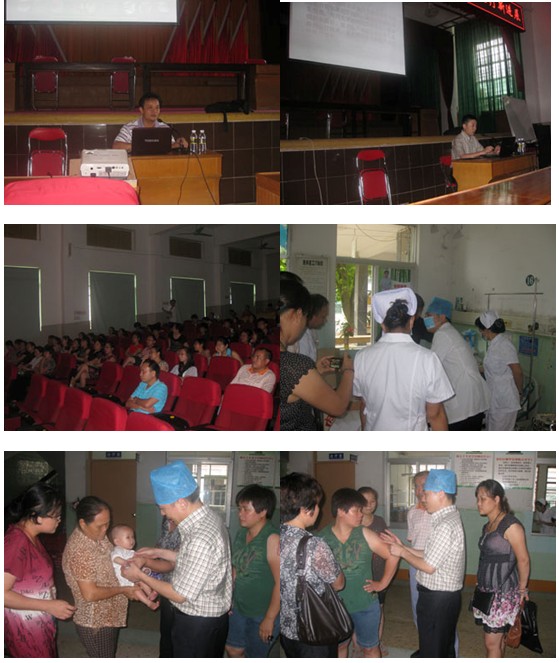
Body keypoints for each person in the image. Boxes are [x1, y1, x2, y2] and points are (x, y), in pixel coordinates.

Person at [120, 460, 232, 658]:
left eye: (164, 508)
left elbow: (179, 594)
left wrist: (140, 575)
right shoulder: (208, 518)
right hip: (210, 618)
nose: (163, 513)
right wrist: (160, 553)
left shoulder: (199, 536)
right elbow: (197, 561)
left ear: (181, 503)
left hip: (198, 623)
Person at [382, 469, 465, 658]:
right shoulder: (447, 518)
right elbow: (431, 554)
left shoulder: (444, 524)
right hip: (443, 596)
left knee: (434, 648)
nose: (423, 498)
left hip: (438, 598)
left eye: (426, 493)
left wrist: (402, 552)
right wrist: (403, 547)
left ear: (440, 494)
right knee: (441, 646)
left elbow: (428, 566)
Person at [353, 288, 454, 430]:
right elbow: (435, 414)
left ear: (382, 324)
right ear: (411, 321)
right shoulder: (428, 359)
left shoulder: (361, 357)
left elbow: (364, 405)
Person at [319, 489, 398, 658]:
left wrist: (383, 583)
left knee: (370, 648)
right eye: (357, 510)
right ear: (341, 511)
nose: (361, 515)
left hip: (365, 604)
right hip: (335, 606)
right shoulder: (322, 538)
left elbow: (393, 555)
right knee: (339, 647)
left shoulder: (364, 533)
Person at [5, 483, 76, 657]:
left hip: (40, 621)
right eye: (56, 516)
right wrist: (48, 605)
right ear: (36, 516)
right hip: (25, 629)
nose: (59, 521)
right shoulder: (16, 542)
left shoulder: (31, 537)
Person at [62, 496, 139, 657]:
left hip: (108, 613)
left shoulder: (97, 536)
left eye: (107, 524)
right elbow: (90, 594)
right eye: (100, 526)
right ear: (83, 523)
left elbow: (113, 557)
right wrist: (123, 589)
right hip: (96, 620)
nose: (105, 530)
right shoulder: (80, 550)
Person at [280, 472, 345, 658]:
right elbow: (338, 583)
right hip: (314, 630)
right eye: (316, 504)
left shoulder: (276, 535)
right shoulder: (314, 544)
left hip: (285, 628)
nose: (318, 509)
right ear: (304, 508)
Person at [280, 277, 354, 430]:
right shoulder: (295, 364)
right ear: (297, 314)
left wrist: (314, 371)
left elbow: (293, 386)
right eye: (305, 316)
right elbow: (339, 406)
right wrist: (348, 370)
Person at [474, 479, 531, 657]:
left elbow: (523, 560)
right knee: (498, 641)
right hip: (486, 591)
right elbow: (486, 557)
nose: (478, 503)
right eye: (477, 499)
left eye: (483, 499)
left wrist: (522, 589)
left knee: (491, 643)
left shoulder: (511, 525)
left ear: (497, 499)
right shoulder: (488, 526)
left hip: (503, 592)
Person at [226, 485, 280, 658]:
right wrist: (228, 597)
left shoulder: (272, 538)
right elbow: (235, 568)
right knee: (233, 649)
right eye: (239, 509)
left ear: (263, 511)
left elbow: (282, 583)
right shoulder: (242, 533)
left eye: (246, 509)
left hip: (263, 612)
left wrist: (269, 619)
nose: (240, 514)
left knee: (255, 655)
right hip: (239, 606)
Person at [425, 297, 491, 430]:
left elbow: (429, 368)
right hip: (472, 400)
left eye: (429, 315)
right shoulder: (449, 332)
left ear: (442, 317)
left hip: (464, 402)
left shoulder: (443, 334)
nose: (425, 319)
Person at [475, 311, 523, 431]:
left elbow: (517, 371)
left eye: (480, 330)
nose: (480, 333)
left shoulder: (505, 345)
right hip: (495, 398)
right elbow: (492, 367)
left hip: (505, 400)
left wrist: (519, 392)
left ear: (487, 329)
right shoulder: (494, 345)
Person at [358, 487, 389, 656]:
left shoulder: (380, 521)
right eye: (365, 501)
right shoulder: (353, 521)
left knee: (378, 609)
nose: (369, 505)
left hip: (378, 574)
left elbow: (387, 545)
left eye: (373, 501)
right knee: (356, 610)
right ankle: (357, 644)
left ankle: (376, 641)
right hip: (357, 575)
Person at [112, 93, 188, 152]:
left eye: (157, 108)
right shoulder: (130, 127)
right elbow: (116, 146)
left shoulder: (164, 128)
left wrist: (179, 143)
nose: (154, 111)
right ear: (141, 110)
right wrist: (143, 147)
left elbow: (171, 146)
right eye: (150, 108)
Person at [109, 525, 160, 610]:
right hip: (124, 578)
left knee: (143, 581)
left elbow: (139, 564)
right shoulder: (118, 550)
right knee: (136, 589)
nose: (132, 540)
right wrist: (124, 562)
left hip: (134, 574)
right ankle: (148, 603)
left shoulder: (132, 552)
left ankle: (150, 593)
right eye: (128, 537)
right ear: (117, 541)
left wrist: (144, 569)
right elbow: (114, 558)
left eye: (133, 537)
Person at [406, 471, 432, 634]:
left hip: (433, 564)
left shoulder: (439, 511)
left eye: (423, 485)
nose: (419, 490)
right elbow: (412, 540)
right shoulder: (412, 512)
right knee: (416, 603)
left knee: (436, 608)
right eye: (416, 486)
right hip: (414, 563)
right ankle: (423, 638)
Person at [289, 293, 329, 362]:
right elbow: (302, 364)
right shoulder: (299, 336)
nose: (325, 320)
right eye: (323, 317)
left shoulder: (311, 331)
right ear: (313, 315)